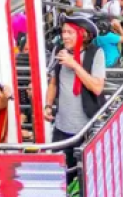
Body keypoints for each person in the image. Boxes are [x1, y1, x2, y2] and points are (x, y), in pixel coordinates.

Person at [43, 16, 106, 147]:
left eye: (70, 32)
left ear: (83, 35)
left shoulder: (96, 53)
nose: (65, 36)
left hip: (88, 127)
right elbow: (53, 83)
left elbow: (97, 88)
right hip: (61, 127)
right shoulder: (59, 50)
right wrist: (48, 106)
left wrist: (75, 65)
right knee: (61, 165)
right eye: (63, 32)